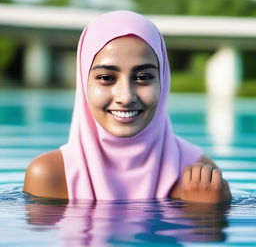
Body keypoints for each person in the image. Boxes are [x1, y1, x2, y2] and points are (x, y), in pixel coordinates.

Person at [23, 10, 232, 203]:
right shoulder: (50, 174)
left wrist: (206, 216)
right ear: (84, 82)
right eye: (106, 78)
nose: (125, 96)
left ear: (163, 81)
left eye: (143, 77)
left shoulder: (199, 175)